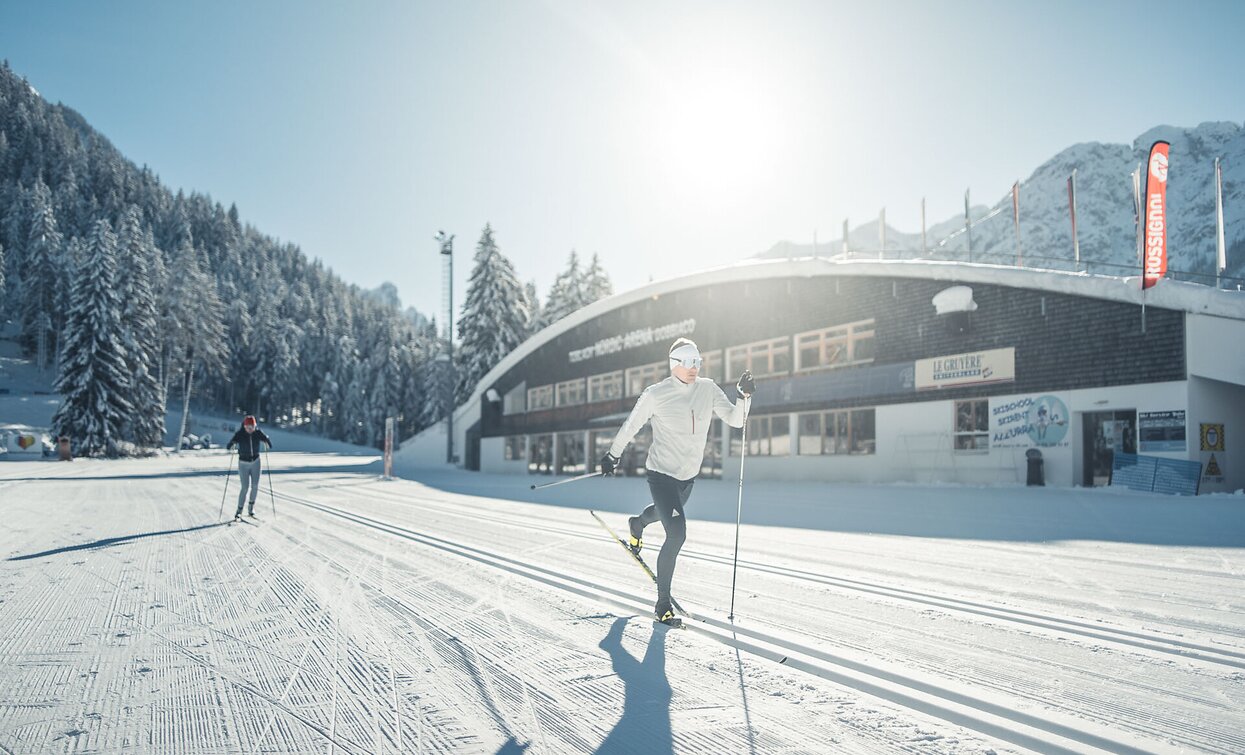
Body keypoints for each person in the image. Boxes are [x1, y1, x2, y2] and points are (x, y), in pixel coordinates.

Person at [599, 338, 754, 625]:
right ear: (674, 364)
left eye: (697, 361)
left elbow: (735, 419)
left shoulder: (707, 389)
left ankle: (637, 524)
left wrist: (744, 397)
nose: (694, 367)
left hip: (687, 477)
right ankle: (662, 604)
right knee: (677, 532)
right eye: (687, 361)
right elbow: (631, 424)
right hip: (661, 474)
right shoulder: (657, 394)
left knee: (663, 513)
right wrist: (612, 454)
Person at [226, 415, 273, 520]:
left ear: (255, 426)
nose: (250, 429)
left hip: (256, 462)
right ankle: (239, 510)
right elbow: (230, 443)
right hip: (243, 463)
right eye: (248, 427)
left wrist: (267, 442)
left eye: (252, 427)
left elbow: (266, 439)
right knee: (245, 487)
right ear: (245, 426)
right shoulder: (240, 434)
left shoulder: (257, 433)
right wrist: (231, 444)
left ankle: (251, 508)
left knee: (255, 485)